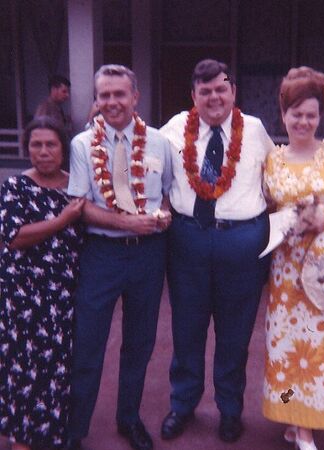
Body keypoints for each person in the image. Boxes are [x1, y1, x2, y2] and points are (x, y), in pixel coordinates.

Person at [160, 59, 274, 443]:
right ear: (193, 96)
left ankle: (229, 409)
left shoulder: (255, 130)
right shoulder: (173, 129)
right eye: (205, 91)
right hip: (188, 240)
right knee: (187, 329)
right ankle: (183, 404)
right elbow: (146, 168)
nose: (214, 97)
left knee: (235, 334)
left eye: (221, 89)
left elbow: (278, 179)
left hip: (242, 244)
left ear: (233, 92)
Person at [66, 64, 172, 450]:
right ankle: (75, 429)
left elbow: (171, 195)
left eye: (119, 94)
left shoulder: (159, 143)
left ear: (135, 97)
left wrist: (162, 218)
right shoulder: (81, 145)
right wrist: (127, 224)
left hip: (148, 257)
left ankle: (129, 419)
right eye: (105, 95)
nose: (112, 102)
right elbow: (79, 205)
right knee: (89, 343)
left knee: (140, 343)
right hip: (102, 255)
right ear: (97, 99)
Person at [262, 67, 324, 450]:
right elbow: (267, 207)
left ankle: (308, 427)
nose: (303, 121)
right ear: (283, 113)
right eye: (296, 113)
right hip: (286, 271)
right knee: (288, 347)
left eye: (311, 115)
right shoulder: (273, 160)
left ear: (320, 117)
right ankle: (293, 418)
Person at [0, 116, 85, 450]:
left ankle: (54, 431)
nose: (44, 151)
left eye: (51, 144)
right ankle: (21, 435)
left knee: (59, 364)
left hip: (64, 292)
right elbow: (15, 237)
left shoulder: (77, 186)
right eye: (36, 144)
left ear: (63, 149)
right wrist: (62, 220)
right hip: (22, 292)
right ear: (27, 149)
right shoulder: (14, 186)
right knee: (23, 363)